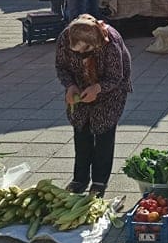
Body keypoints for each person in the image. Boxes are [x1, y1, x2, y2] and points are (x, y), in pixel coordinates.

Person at [55, 15, 132, 198]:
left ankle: (99, 182)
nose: (81, 53)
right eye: (77, 50)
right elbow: (61, 66)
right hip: (80, 88)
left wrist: (97, 88)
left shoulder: (110, 41)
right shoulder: (65, 38)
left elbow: (116, 77)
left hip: (110, 91)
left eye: (86, 49)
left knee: (104, 134)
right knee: (81, 131)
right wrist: (70, 86)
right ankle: (79, 179)